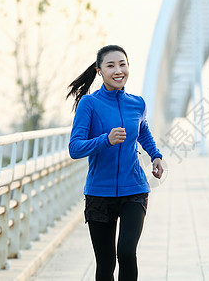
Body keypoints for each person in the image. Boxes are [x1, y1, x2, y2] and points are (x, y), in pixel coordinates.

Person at [67, 45, 164, 281]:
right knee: (106, 263)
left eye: (122, 64)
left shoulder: (137, 103)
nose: (118, 70)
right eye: (111, 65)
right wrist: (105, 140)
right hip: (100, 193)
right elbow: (75, 148)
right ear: (100, 71)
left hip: (134, 190)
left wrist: (156, 155)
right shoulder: (89, 104)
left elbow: (143, 132)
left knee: (127, 253)